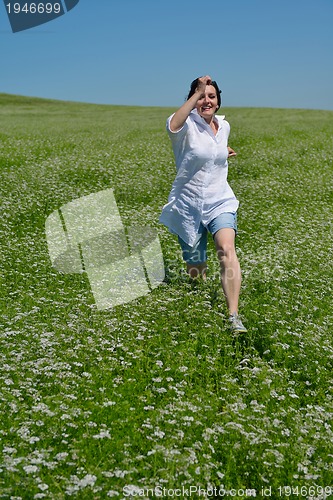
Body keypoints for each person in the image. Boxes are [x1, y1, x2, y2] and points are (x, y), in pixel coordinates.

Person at [159, 75, 247, 333]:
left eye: (211, 96)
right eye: (201, 96)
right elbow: (172, 125)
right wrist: (196, 92)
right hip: (189, 204)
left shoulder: (223, 126)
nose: (206, 101)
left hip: (220, 200)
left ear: (218, 101)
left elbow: (214, 148)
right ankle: (200, 298)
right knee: (197, 267)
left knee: (225, 248)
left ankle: (233, 316)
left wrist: (223, 152)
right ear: (193, 100)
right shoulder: (185, 127)